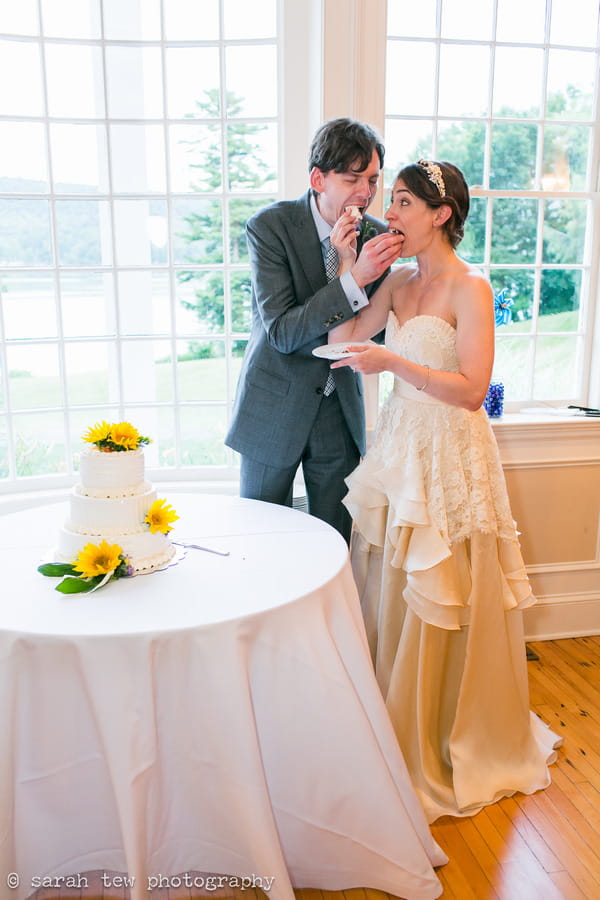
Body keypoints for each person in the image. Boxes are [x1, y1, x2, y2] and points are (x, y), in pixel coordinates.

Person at [327, 159, 560, 822]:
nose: (389, 212)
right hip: (402, 442)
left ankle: (447, 734)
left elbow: (471, 391)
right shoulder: (397, 281)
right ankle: (394, 725)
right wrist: (350, 266)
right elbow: (345, 338)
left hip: (452, 448)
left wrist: (394, 361)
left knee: (446, 582)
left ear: (442, 213)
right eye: (391, 200)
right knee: (392, 579)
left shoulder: (471, 288)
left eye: (401, 202)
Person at [225, 118, 404, 542]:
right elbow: (283, 333)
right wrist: (353, 278)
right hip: (272, 408)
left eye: (374, 180)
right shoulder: (270, 228)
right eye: (352, 178)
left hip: (338, 410)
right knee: (258, 540)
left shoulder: (377, 236)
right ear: (318, 178)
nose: (365, 192)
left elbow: (371, 333)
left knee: (334, 544)